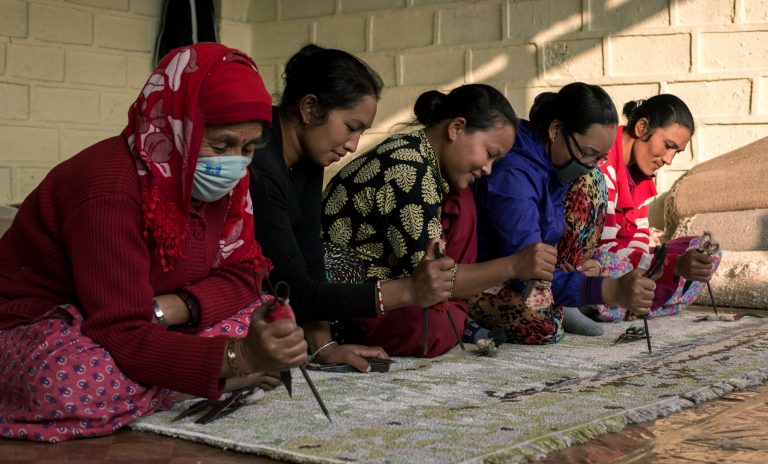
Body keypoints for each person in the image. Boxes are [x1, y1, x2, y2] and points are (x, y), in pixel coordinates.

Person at [0, 43, 308, 442]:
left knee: (268, 315)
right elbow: (120, 330)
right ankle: (192, 382)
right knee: (73, 381)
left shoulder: (225, 185)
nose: (235, 163)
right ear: (177, 128)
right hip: (43, 324)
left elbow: (245, 272)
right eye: (221, 145)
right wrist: (240, 357)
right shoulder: (108, 187)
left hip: (150, 314)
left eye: (248, 149)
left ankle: (179, 377)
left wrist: (173, 309)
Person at [250, 44, 452, 368]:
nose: (353, 145)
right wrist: (408, 291)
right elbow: (294, 289)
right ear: (309, 108)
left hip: (285, 290)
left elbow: (309, 254)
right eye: (350, 127)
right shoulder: (258, 159)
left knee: (333, 262)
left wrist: (325, 347)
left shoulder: (307, 158)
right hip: (229, 287)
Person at [321, 84, 557, 357]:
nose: (488, 169)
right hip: (347, 303)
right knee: (434, 329)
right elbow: (434, 280)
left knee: (462, 198)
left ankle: (455, 312)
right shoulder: (407, 170)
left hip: (397, 288)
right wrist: (515, 265)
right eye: (489, 154)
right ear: (456, 128)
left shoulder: (427, 162)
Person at [470, 82, 656, 345]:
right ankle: (469, 317)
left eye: (600, 157)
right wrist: (610, 290)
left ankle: (564, 295)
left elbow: (546, 236)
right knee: (542, 326)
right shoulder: (514, 173)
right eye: (587, 153)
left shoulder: (553, 162)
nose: (590, 164)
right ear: (556, 130)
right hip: (483, 274)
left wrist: (575, 274)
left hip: (527, 266)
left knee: (593, 181)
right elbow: (526, 265)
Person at [592, 94, 720, 321]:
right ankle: (632, 303)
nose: (669, 159)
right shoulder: (602, 167)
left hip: (629, 262)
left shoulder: (642, 175)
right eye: (668, 146)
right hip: (599, 260)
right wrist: (672, 265)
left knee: (704, 251)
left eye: (676, 152)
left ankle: (634, 304)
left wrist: (660, 266)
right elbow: (605, 249)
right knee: (609, 265)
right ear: (642, 128)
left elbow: (640, 238)